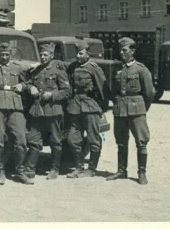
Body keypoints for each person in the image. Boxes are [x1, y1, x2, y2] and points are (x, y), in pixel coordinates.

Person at [106, 37, 155, 185]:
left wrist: (142, 108)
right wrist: (116, 103)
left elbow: (149, 93)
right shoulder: (118, 69)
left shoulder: (141, 69)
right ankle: (121, 170)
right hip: (120, 110)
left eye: (125, 50)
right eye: (120, 50)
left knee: (141, 142)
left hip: (137, 110)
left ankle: (141, 172)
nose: (121, 53)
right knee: (121, 142)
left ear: (132, 51)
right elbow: (113, 90)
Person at [0, 42, 32, 185]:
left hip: (15, 107)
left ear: (10, 55)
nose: (4, 57)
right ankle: (0, 171)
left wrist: (22, 85)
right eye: (2, 54)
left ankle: (20, 171)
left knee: (21, 140)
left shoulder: (17, 68)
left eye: (7, 54)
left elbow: (28, 83)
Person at [24, 43, 71, 182]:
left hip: (53, 109)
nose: (43, 57)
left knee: (55, 140)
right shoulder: (37, 70)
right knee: (34, 140)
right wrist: (31, 87)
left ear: (52, 56)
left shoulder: (58, 71)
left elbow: (67, 91)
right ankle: (29, 168)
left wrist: (52, 95)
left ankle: (54, 168)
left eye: (46, 55)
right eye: (42, 55)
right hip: (37, 110)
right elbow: (28, 82)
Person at [65, 39, 109, 178]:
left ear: (87, 53)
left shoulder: (94, 68)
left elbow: (103, 89)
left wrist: (102, 108)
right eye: (77, 53)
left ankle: (91, 169)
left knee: (93, 139)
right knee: (73, 139)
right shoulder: (72, 67)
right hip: (75, 107)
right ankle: (78, 167)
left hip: (90, 107)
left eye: (80, 53)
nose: (78, 56)